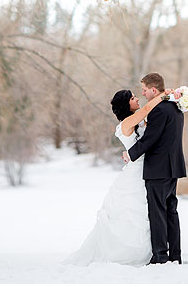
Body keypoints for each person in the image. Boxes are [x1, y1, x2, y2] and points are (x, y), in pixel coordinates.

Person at [63, 88, 165, 267]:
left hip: (145, 168)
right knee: (131, 211)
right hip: (135, 173)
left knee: (145, 212)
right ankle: (128, 253)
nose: (137, 100)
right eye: (133, 98)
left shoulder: (137, 122)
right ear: (127, 105)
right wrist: (165, 95)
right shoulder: (126, 123)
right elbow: (147, 110)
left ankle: (150, 250)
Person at [126, 72, 187, 265]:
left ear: (154, 89)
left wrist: (131, 154)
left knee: (157, 213)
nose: (142, 94)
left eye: (144, 90)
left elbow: (150, 139)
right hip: (173, 167)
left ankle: (160, 256)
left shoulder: (159, 110)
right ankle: (175, 255)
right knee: (171, 212)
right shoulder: (176, 106)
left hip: (159, 169)